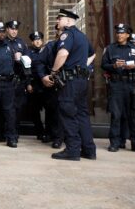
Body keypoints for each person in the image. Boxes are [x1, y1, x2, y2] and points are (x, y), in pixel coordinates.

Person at [44, 9, 96, 161]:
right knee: (82, 115)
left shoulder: (68, 34)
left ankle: (73, 150)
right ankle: (89, 150)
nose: (57, 22)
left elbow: (62, 54)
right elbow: (92, 54)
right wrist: (82, 66)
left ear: (67, 21)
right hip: (81, 81)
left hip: (71, 82)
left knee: (67, 113)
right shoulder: (83, 36)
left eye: (59, 19)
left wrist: (53, 72)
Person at [101, 24, 135, 153]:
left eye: (122, 33)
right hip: (116, 85)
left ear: (127, 35)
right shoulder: (110, 49)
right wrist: (114, 66)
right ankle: (115, 143)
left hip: (131, 84)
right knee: (116, 114)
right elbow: (103, 65)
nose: (119, 35)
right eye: (118, 33)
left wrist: (134, 67)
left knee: (133, 115)